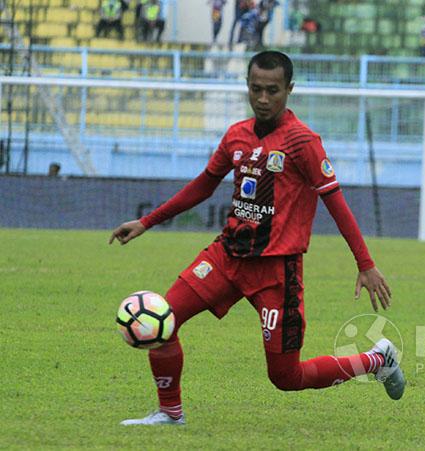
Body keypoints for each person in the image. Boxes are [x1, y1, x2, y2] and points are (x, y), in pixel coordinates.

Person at [110, 51, 404, 426]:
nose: (263, 99)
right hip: (226, 257)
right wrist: (147, 221)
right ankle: (171, 412)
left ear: (289, 90)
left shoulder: (303, 142)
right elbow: (203, 185)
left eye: (273, 90)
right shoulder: (237, 135)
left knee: (286, 377)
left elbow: (336, 202)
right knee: (163, 320)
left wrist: (365, 263)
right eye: (256, 89)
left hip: (276, 272)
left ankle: (378, 360)